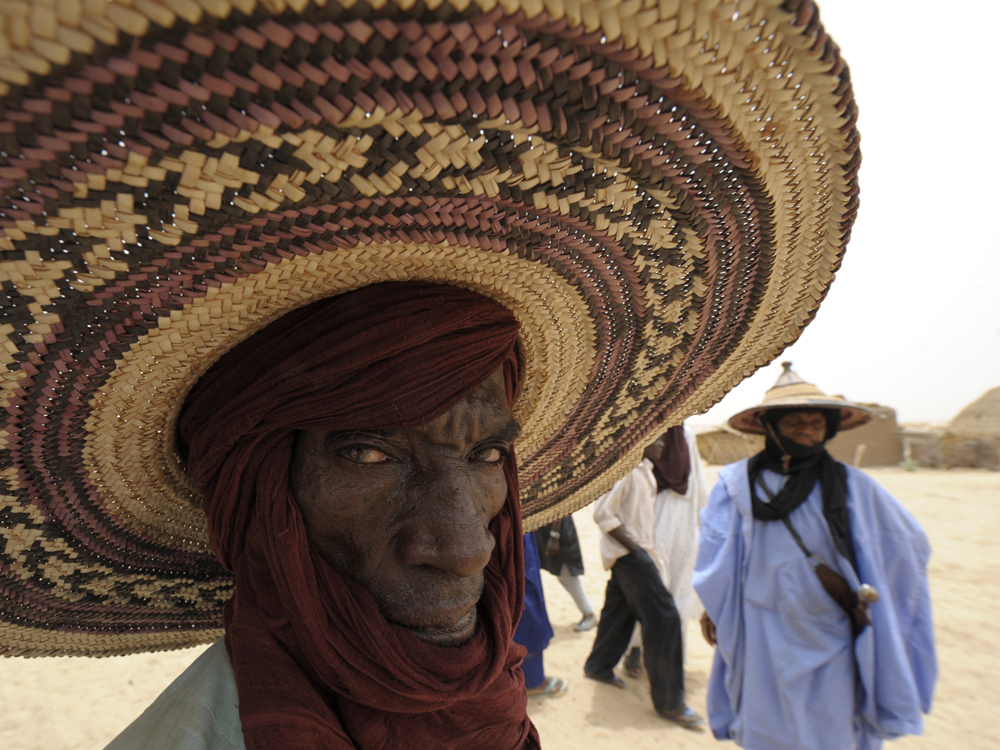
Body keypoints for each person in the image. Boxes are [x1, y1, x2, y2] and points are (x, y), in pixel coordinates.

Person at [693, 364, 937, 750]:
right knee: (768, 721)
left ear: (830, 427)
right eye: (794, 421)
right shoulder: (735, 485)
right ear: (771, 426)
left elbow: (906, 543)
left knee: (831, 724)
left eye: (815, 421)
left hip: (831, 628)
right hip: (761, 628)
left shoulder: (852, 486)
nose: (807, 428)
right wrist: (712, 608)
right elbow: (717, 555)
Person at [583, 436, 705, 730]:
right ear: (640, 441)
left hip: (634, 555)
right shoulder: (625, 471)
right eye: (657, 438)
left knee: (618, 613)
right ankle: (670, 703)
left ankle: (598, 667)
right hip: (631, 557)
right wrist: (635, 549)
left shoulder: (645, 470)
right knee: (665, 619)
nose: (663, 443)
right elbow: (602, 513)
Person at [621, 424, 709, 677]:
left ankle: (670, 657)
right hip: (650, 521)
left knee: (678, 590)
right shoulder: (646, 432)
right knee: (650, 590)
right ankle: (636, 649)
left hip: (683, 525)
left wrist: (703, 525)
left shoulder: (687, 436)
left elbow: (698, 485)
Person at [514, 533, 567, 698]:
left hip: (516, 530)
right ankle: (531, 680)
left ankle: (521, 676)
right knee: (526, 599)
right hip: (514, 530)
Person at [534, 516, 598, 632]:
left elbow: (560, 503)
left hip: (556, 532)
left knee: (566, 573)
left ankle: (589, 614)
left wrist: (554, 535)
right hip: (542, 530)